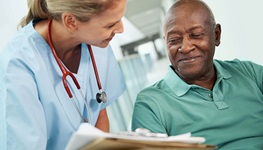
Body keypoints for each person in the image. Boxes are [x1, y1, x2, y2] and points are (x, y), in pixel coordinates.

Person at [131, 0, 263, 149]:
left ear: (216, 35)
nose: (185, 48)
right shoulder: (150, 104)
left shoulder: (249, 73)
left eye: (196, 35)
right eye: (174, 40)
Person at [0, 0, 127, 149]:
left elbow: (99, 114)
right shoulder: (19, 63)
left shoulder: (97, 43)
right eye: (110, 25)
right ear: (71, 22)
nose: (121, 29)